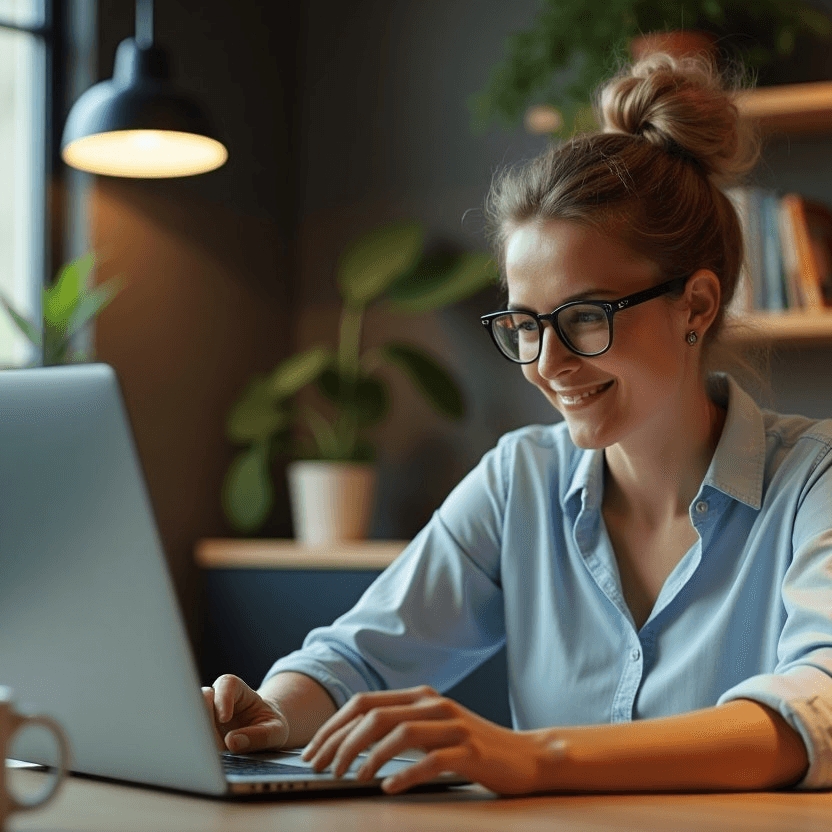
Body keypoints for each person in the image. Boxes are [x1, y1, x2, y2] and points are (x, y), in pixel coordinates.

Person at [202, 53, 832, 795]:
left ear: (695, 304)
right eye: (525, 325)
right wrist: (270, 714)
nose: (547, 363)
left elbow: (814, 712)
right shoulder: (519, 479)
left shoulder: (813, 481)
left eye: (585, 317)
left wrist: (535, 758)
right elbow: (357, 660)